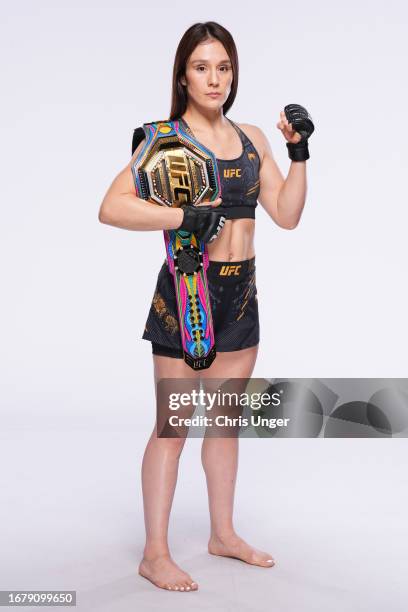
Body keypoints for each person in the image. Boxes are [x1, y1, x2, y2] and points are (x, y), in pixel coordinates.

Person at [98, 21, 310, 593]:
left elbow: (286, 215)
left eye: (223, 67)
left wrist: (299, 153)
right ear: (183, 76)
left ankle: (223, 534)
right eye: (201, 68)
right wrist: (179, 217)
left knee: (224, 426)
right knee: (173, 427)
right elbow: (111, 207)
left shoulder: (251, 138)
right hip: (187, 294)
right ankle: (155, 553)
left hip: (241, 294)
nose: (214, 78)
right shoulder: (167, 140)